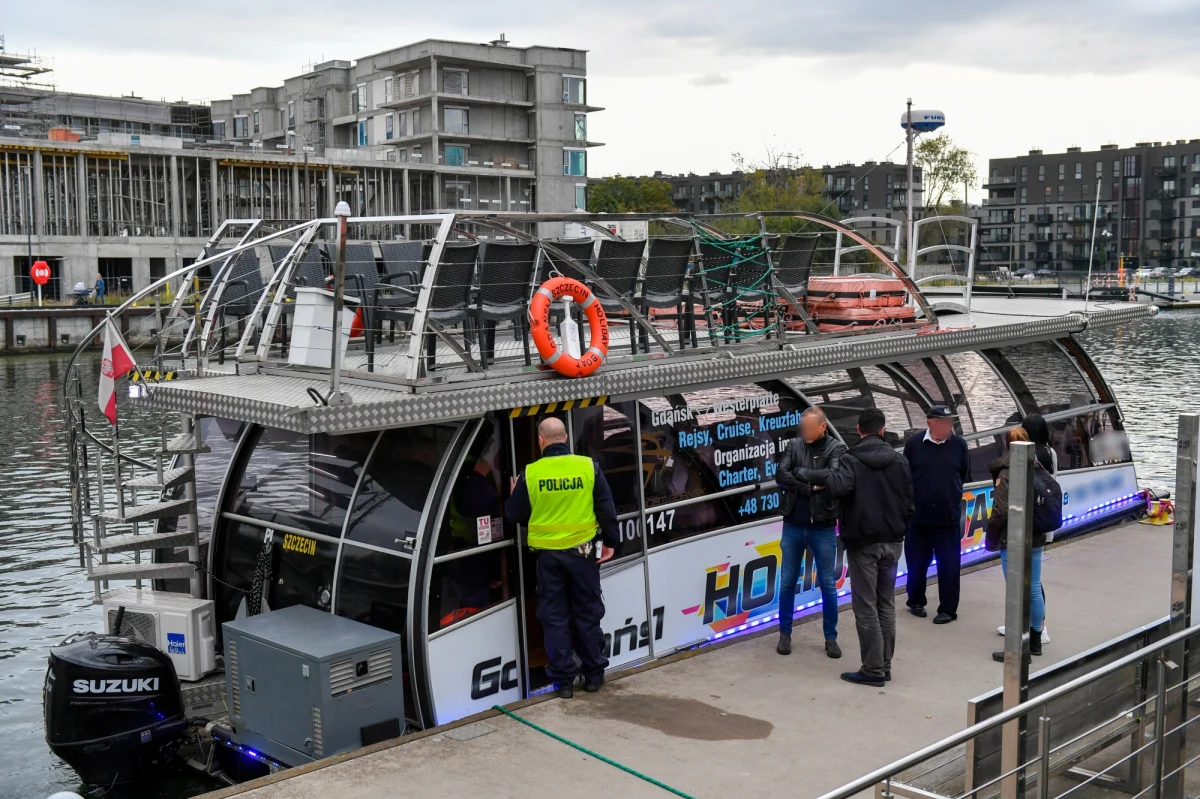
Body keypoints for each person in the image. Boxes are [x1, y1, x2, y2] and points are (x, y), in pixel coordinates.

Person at [504, 417, 620, 698]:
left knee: (554, 618)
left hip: (549, 560)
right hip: (583, 555)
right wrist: (611, 543)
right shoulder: (588, 467)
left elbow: (513, 515)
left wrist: (513, 493)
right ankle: (593, 676)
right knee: (587, 614)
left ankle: (564, 683)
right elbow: (606, 508)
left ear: (541, 441)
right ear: (566, 438)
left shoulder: (531, 473)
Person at [821, 408, 914, 688]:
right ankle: (884, 665)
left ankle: (872, 669)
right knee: (886, 603)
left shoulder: (850, 460)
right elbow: (909, 502)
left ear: (859, 430)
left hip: (863, 543)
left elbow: (836, 488)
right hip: (893, 542)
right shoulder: (900, 461)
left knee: (865, 606)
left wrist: (825, 471)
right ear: (883, 430)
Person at [774, 407, 848, 659]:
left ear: (822, 427)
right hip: (793, 525)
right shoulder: (794, 445)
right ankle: (784, 633)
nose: (803, 432)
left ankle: (831, 637)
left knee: (827, 583)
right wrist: (810, 487)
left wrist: (802, 474)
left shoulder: (836, 448)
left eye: (808, 427)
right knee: (786, 582)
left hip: (823, 527)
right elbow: (781, 475)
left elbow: (834, 477)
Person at [903, 405, 970, 624]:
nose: (949, 426)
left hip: (947, 516)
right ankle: (915, 601)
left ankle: (948, 609)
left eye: (951, 422)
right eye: (944, 422)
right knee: (916, 563)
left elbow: (962, 474)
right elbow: (906, 477)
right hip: (918, 517)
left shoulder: (959, 445)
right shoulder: (913, 445)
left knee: (949, 565)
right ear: (930, 423)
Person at [985, 427, 1046, 662]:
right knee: (1033, 587)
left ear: (1006, 444)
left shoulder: (1007, 471)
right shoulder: (1038, 465)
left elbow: (1000, 510)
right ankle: (1036, 639)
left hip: (1013, 537)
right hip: (1036, 534)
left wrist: (991, 538)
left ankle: (1018, 645)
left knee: (1015, 590)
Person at [996, 414, 1054, 644]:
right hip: (1040, 526)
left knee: (1017, 585)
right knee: (1034, 585)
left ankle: (1021, 632)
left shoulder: (1012, 467)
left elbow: (1001, 508)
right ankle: (1038, 633)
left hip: (1018, 531)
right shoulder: (1049, 454)